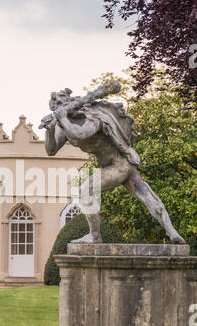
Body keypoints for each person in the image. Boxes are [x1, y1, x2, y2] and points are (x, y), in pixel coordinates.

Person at [43, 87, 185, 244]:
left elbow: (80, 134)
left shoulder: (92, 117)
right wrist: (49, 131)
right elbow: (51, 150)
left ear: (70, 104)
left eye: (60, 106)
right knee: (147, 196)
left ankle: (95, 236)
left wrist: (62, 118)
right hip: (116, 166)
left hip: (118, 165)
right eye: (55, 108)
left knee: (86, 190)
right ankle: (173, 234)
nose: (58, 110)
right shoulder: (65, 128)